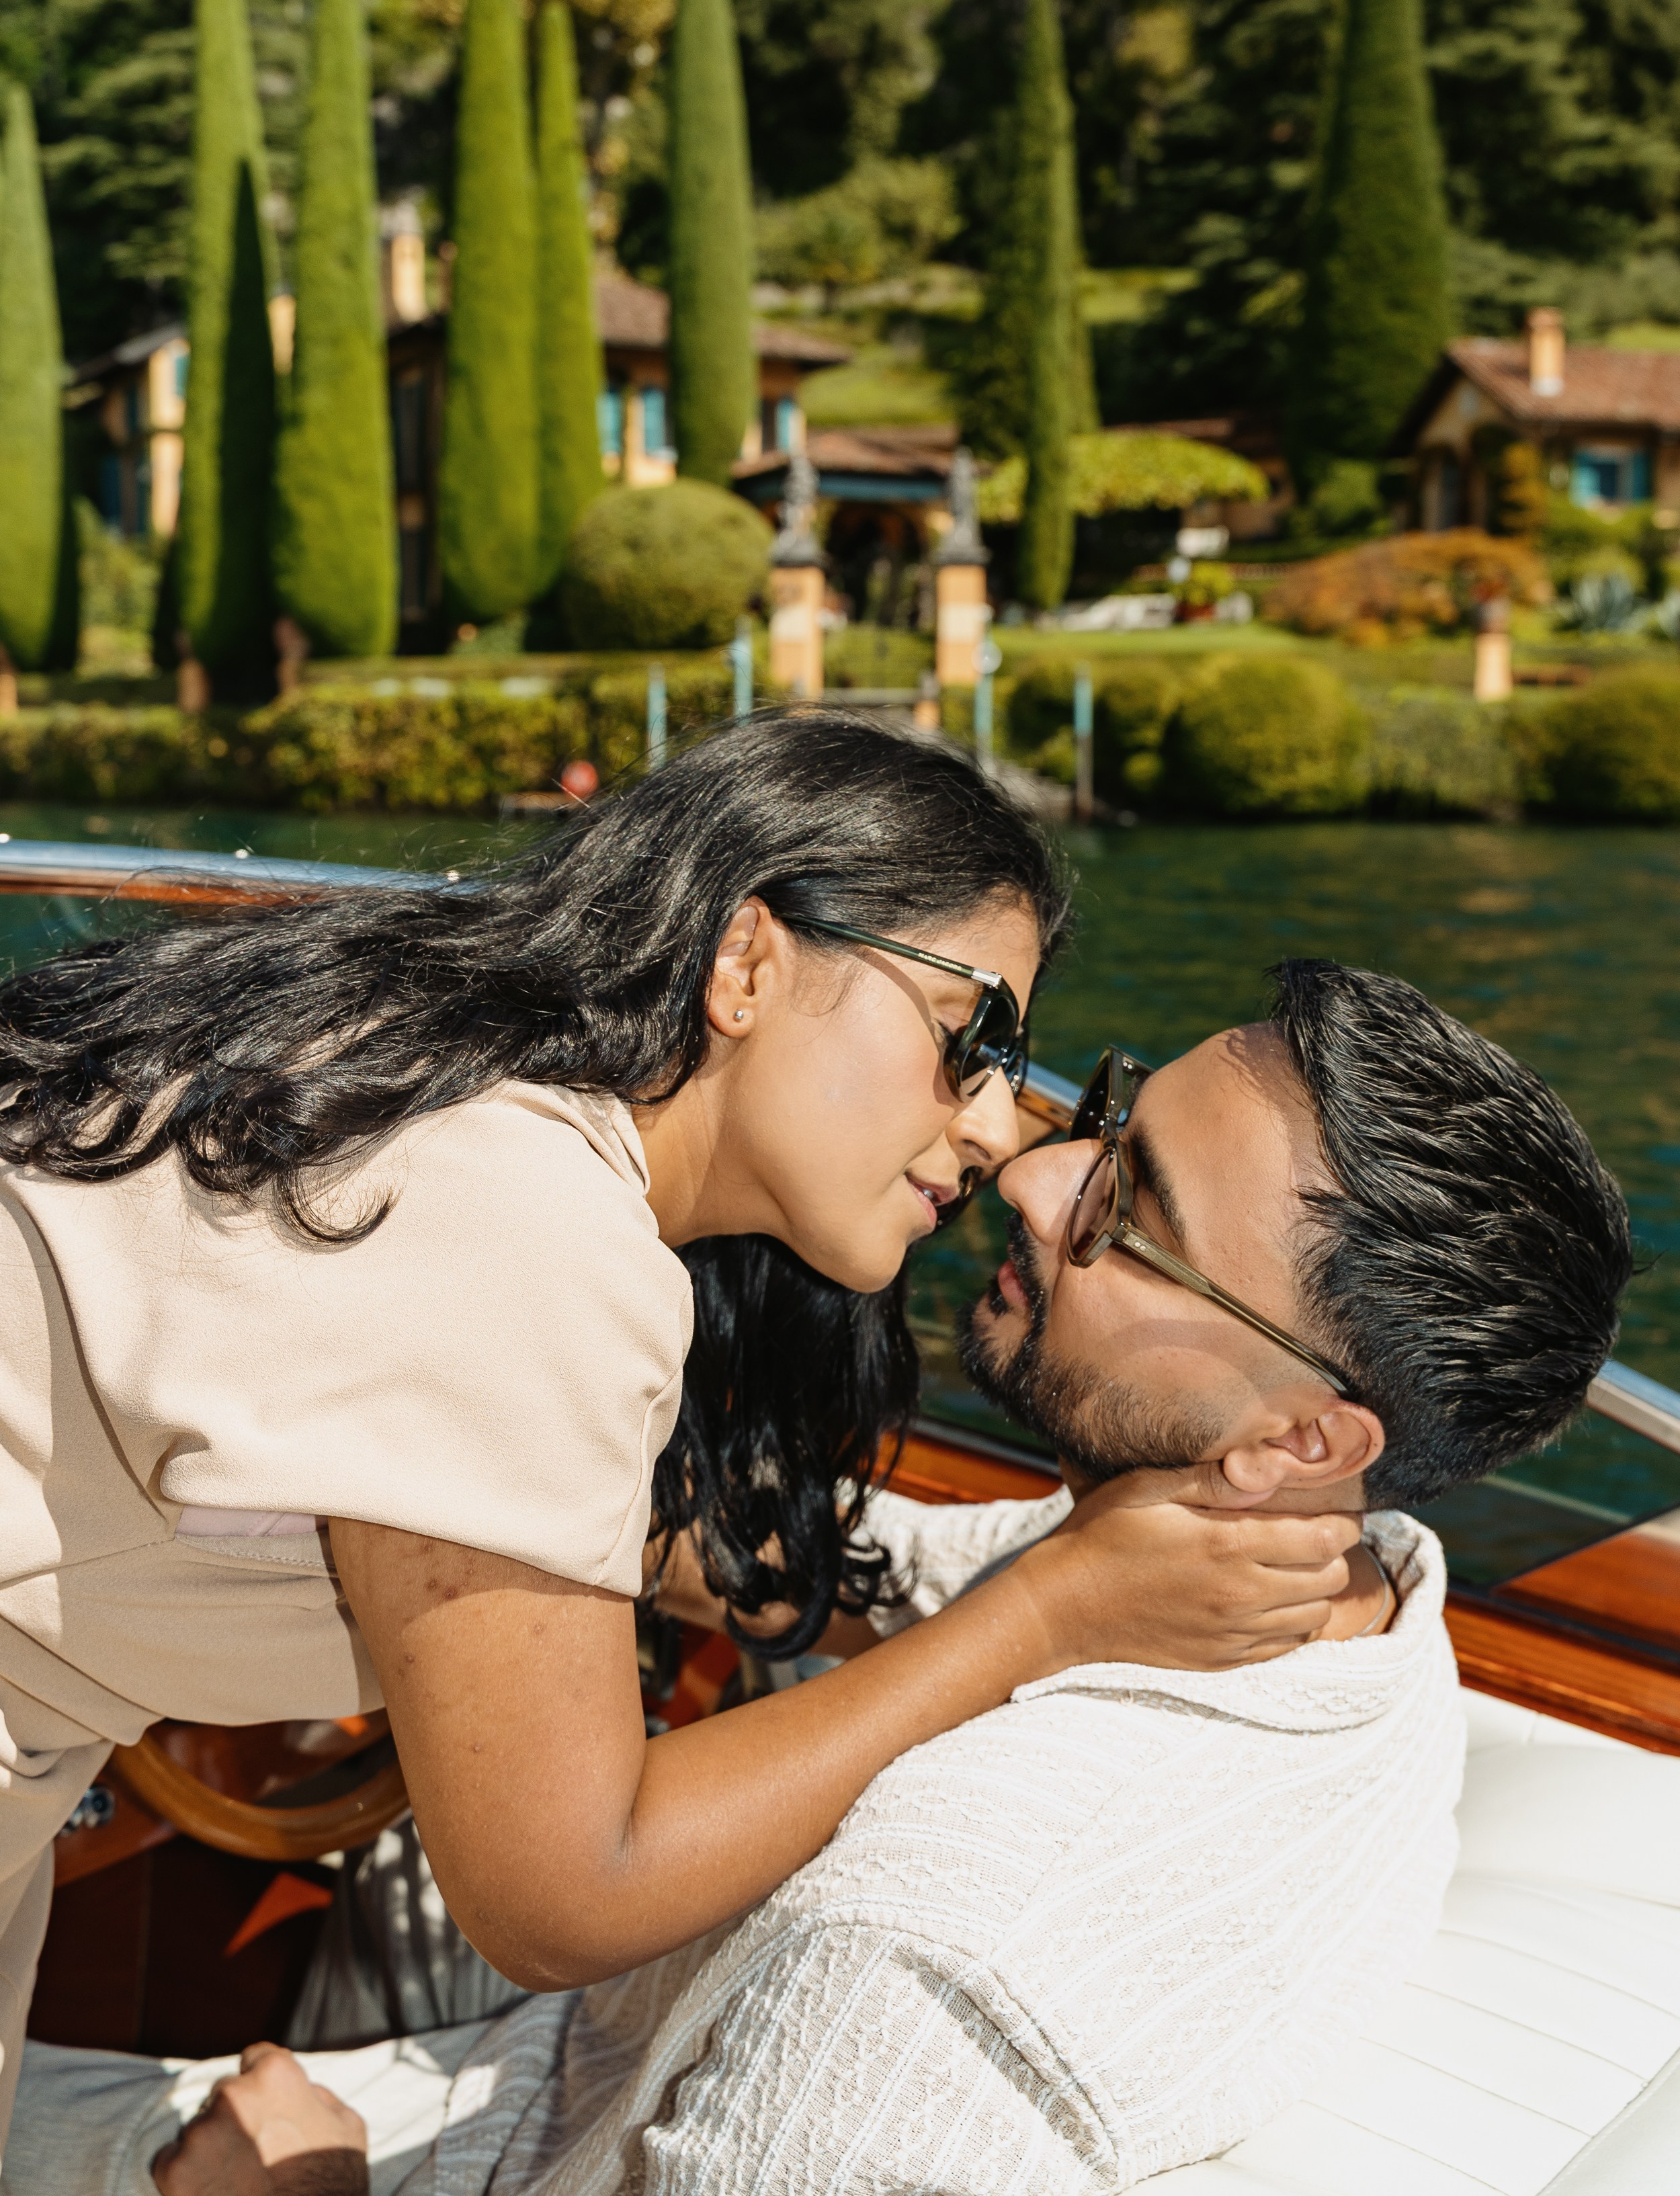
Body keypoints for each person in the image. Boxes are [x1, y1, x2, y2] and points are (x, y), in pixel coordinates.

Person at [23, 956, 1628, 2195]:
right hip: (506, 2077)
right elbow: (890, 1577)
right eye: (1109, 1120)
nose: (1026, 1173)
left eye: (1125, 1216)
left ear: (1298, 1437)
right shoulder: (1357, 1604)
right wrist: (502, 1490)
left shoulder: (911, 1967)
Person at [0, 714, 1359, 2148]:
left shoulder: (470, 1099)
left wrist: (1077, 1572)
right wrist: (1046, 1617)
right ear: (745, 962)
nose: (995, 1132)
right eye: (972, 1041)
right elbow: (566, 1890)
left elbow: (682, 1550)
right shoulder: (526, 1233)